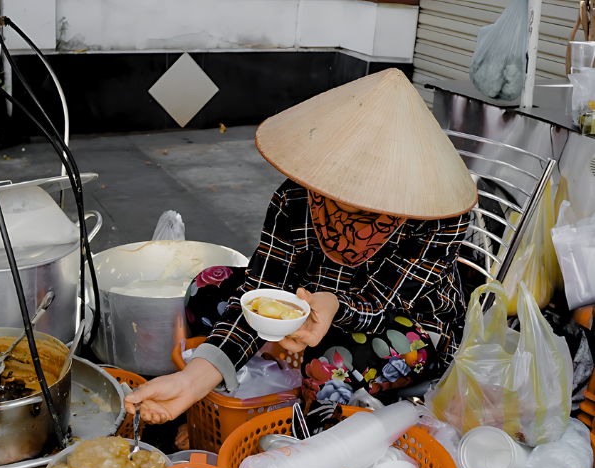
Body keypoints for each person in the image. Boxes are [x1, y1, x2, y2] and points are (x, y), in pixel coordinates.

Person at [125, 68, 478, 424]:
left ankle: (299, 438)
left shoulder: (440, 218)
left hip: (400, 321)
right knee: (206, 289)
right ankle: (230, 400)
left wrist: (332, 307)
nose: (344, 206)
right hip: (307, 300)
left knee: (327, 365)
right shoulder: (294, 198)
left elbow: (382, 303)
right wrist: (193, 381)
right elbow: (263, 288)